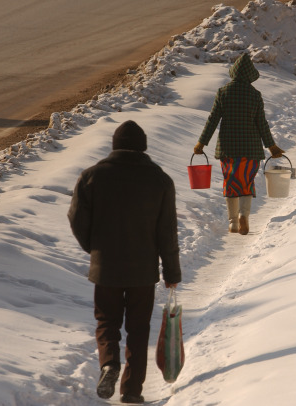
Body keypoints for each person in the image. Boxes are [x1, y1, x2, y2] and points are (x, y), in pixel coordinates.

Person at [68, 120, 181, 404]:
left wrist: (94, 248)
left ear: (115, 146)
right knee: (138, 328)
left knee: (106, 320)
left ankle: (109, 363)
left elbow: (76, 218)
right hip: (143, 270)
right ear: (143, 147)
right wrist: (171, 271)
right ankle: (132, 390)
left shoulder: (92, 176)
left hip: (106, 265)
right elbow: (166, 230)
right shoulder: (160, 180)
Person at [193, 53, 284, 235]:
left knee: (231, 181)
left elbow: (212, 120)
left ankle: (233, 223)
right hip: (250, 149)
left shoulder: (223, 92)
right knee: (246, 182)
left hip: (228, 148)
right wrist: (271, 146)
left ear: (233, 72)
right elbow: (261, 123)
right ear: (250, 75)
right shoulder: (255, 95)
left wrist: (201, 142)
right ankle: (244, 215)